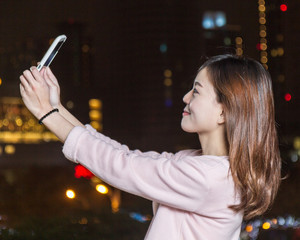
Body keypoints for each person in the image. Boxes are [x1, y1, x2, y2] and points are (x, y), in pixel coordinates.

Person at [19, 54, 281, 240]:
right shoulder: (200, 165)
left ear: (224, 112)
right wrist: (57, 108)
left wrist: (45, 113)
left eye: (197, 91)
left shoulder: (208, 177)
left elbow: (122, 167)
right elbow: (125, 157)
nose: (185, 97)